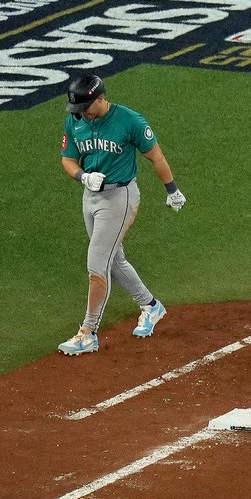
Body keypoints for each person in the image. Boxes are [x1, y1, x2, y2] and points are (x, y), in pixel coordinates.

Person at [56, 73, 187, 356]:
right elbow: (67, 159)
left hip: (119, 198)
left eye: (85, 108)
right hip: (90, 197)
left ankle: (88, 332)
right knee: (113, 259)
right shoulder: (76, 120)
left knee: (97, 266)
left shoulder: (130, 121)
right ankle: (152, 306)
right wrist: (82, 177)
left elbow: (156, 157)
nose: (82, 115)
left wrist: (172, 190)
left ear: (101, 99)